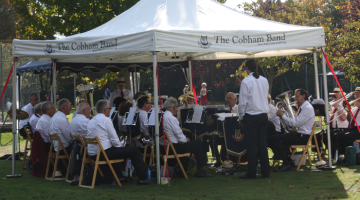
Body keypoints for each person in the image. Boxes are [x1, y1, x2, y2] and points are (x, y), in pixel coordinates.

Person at [87, 99, 154, 184]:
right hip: (103, 153)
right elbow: (114, 139)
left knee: (122, 150)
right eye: (110, 108)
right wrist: (121, 147)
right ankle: (143, 178)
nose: (111, 110)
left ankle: (120, 176)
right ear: (105, 110)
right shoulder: (106, 120)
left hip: (93, 154)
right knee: (134, 150)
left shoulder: (92, 120)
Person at [162, 97, 214, 178]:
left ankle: (181, 168)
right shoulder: (172, 118)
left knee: (189, 145)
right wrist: (185, 139)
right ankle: (200, 170)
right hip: (175, 147)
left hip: (167, 146)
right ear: (174, 107)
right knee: (199, 143)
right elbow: (179, 135)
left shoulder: (163, 116)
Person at [268, 89, 315, 172]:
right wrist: (286, 111)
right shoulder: (302, 107)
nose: (295, 98)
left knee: (274, 139)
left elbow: (295, 123)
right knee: (272, 138)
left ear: (303, 96)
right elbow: (294, 121)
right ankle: (288, 161)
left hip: (302, 137)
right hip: (298, 135)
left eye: (297, 96)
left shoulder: (307, 108)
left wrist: (282, 115)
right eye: (294, 96)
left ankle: (286, 163)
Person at [238, 59, 270, 178]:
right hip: (263, 116)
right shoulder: (264, 80)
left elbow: (242, 103)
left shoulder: (246, 81)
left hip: (251, 116)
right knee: (262, 144)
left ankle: (251, 172)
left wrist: (241, 117)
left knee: (251, 145)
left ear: (247, 68)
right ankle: (265, 172)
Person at [317, 88, 349, 158]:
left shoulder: (344, 105)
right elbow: (326, 121)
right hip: (332, 128)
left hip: (341, 128)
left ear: (341, 96)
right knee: (319, 134)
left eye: (335, 96)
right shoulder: (333, 106)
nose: (333, 98)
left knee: (326, 135)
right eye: (332, 97)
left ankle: (334, 153)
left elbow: (343, 118)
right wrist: (325, 116)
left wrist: (337, 107)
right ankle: (325, 152)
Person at [335, 87, 360, 163]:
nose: (356, 97)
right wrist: (348, 110)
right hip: (353, 129)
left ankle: (352, 156)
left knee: (347, 136)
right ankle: (342, 156)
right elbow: (348, 119)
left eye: (358, 95)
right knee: (338, 135)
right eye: (355, 95)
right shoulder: (355, 108)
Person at [49, 98, 72, 178]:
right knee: (82, 148)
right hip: (63, 148)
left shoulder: (54, 117)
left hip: (57, 147)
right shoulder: (62, 119)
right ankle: (77, 172)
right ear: (65, 107)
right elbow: (68, 137)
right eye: (70, 106)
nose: (71, 108)